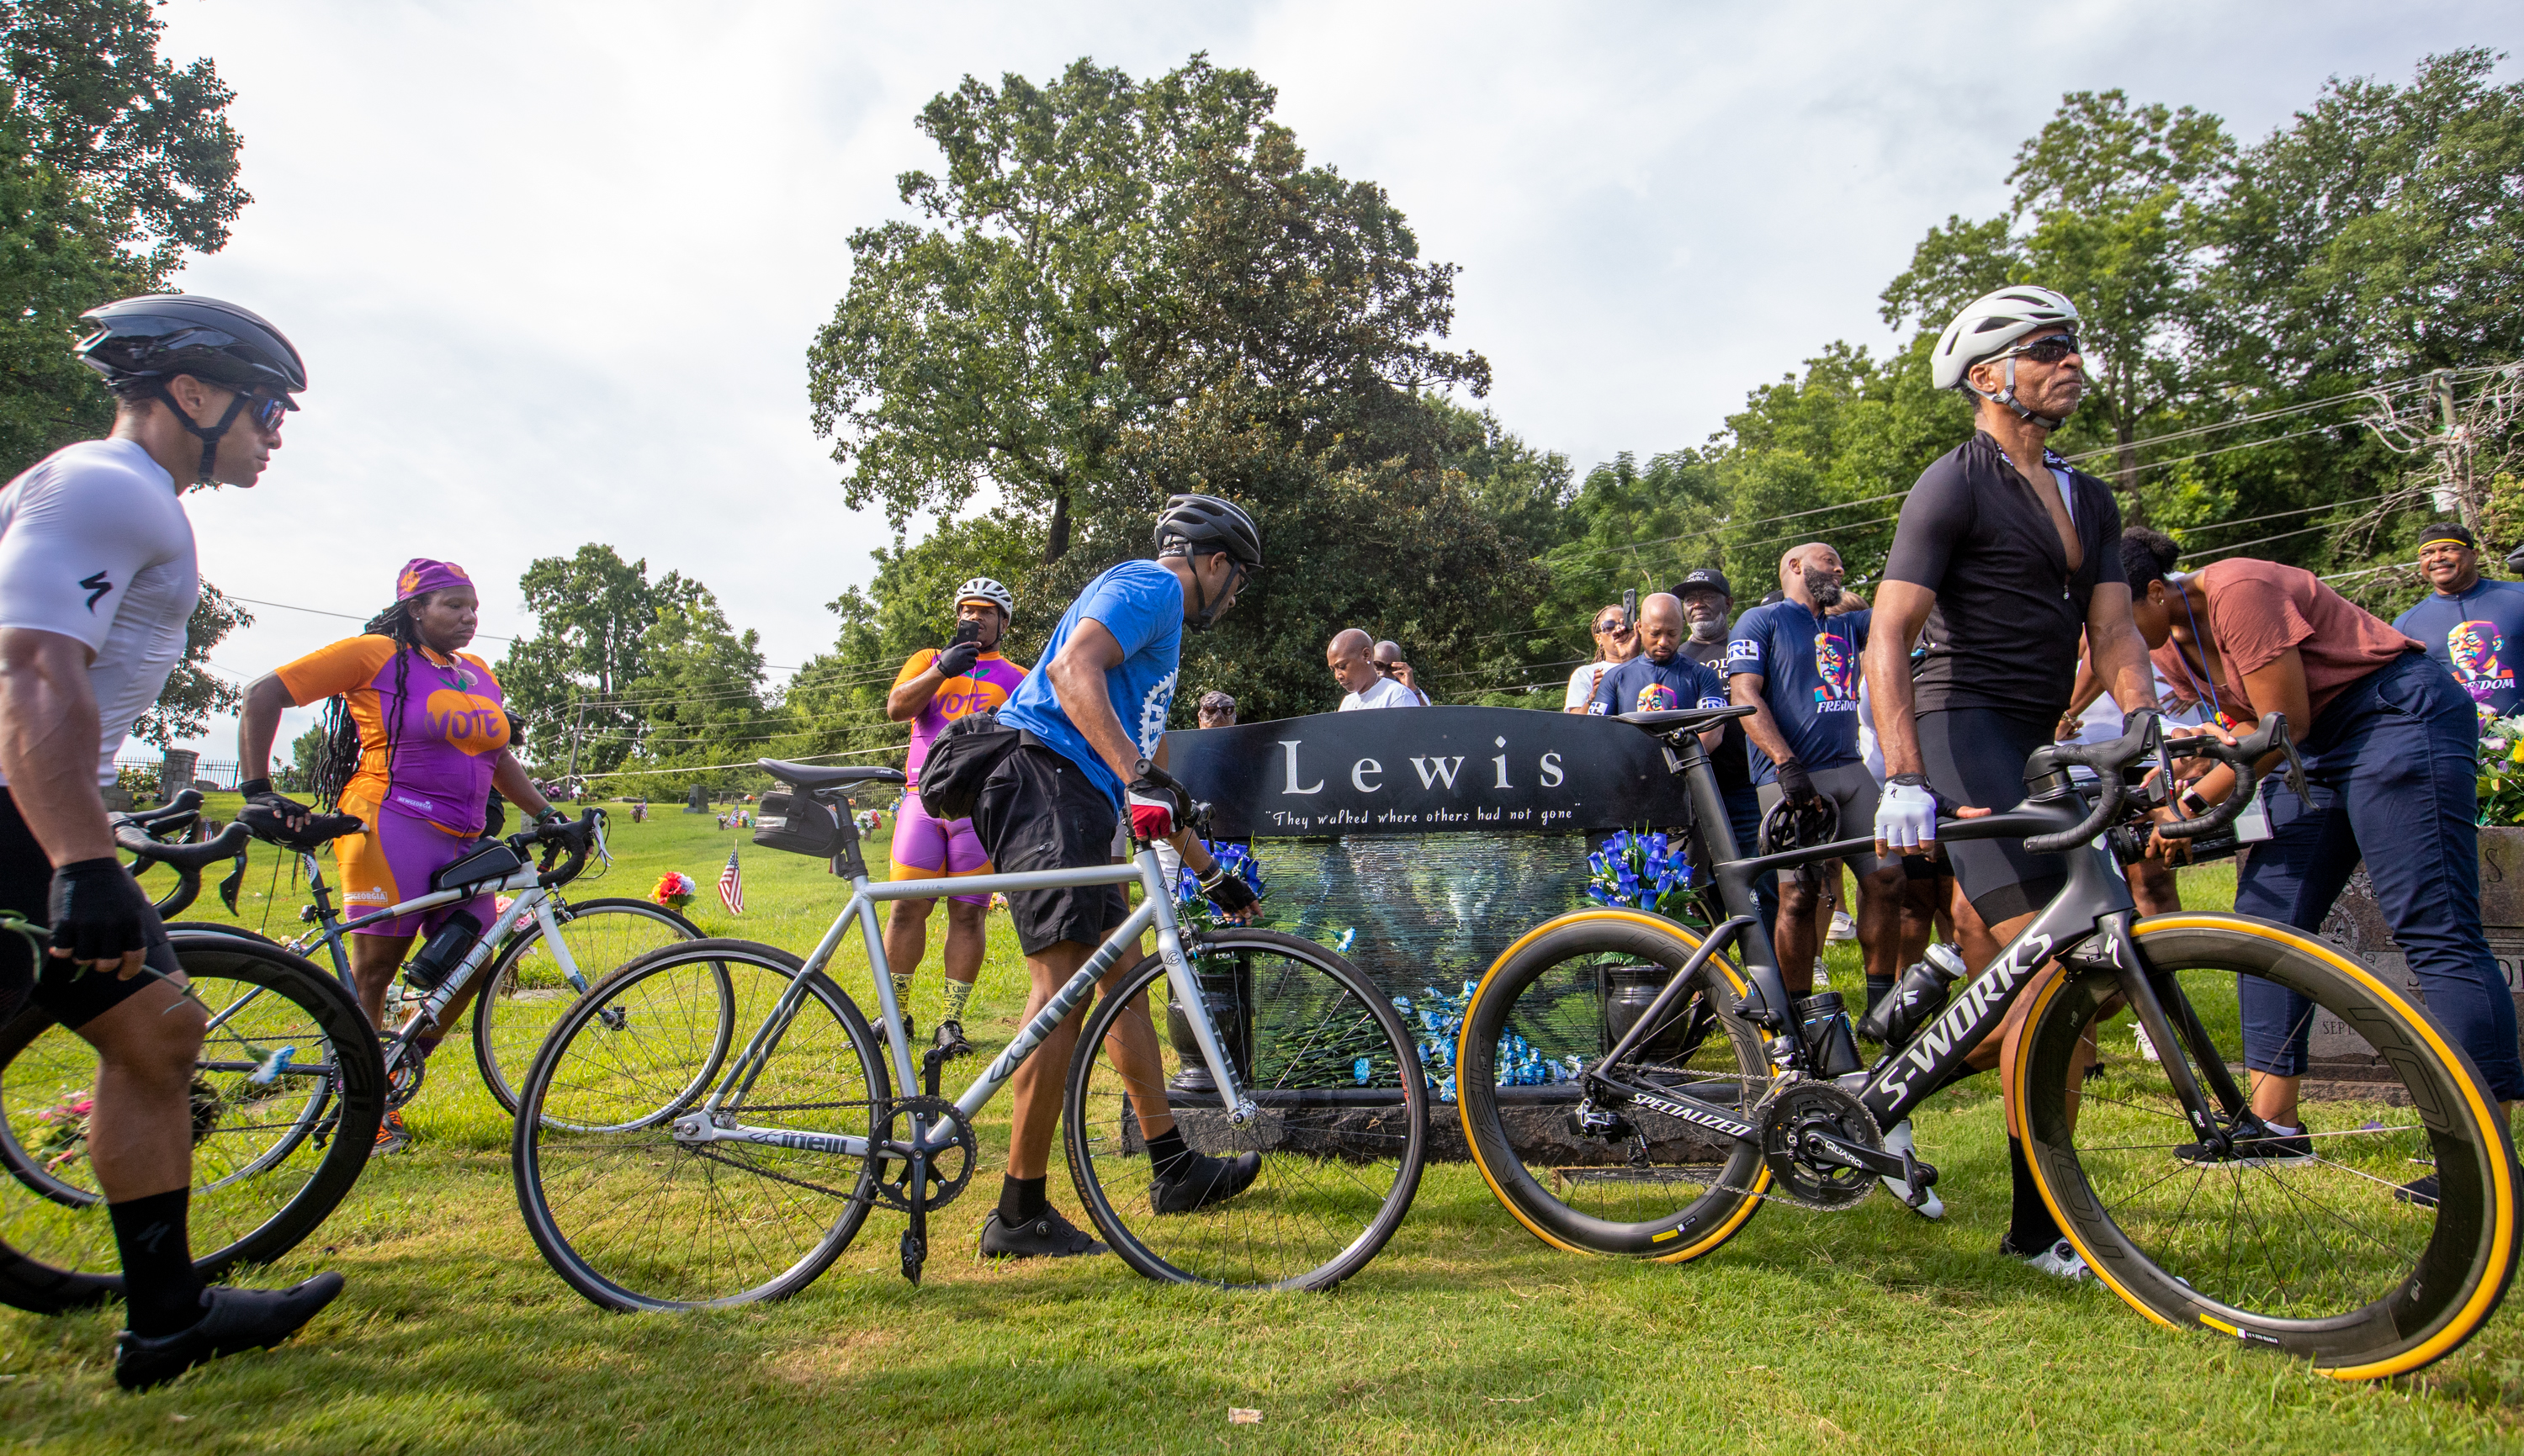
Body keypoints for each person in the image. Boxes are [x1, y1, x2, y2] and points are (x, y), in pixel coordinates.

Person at [0, 294, 340, 1389]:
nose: (274, 431)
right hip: (17, 817)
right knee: (159, 1035)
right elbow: (35, 668)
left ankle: (165, 1315)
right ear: (192, 394)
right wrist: (82, 858)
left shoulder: (102, 494)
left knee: (160, 1037)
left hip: (37, 812)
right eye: (266, 409)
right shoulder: (111, 489)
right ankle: (163, 1311)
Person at [1866, 284, 2162, 1273]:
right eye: (2046, 348)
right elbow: (1889, 635)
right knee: (2060, 979)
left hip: (2035, 739)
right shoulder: (1953, 482)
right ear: (1988, 377)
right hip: (1958, 731)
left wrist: (2148, 727)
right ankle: (2038, 1227)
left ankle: (1891, 1061)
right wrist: (1904, 776)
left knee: (2099, 971)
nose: (2070, 360)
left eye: (2073, 344)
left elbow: (2115, 630)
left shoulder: (2089, 494)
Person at [2124, 536, 2522, 1198]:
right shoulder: (2166, 640)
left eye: (2120, 613)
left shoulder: (2237, 590)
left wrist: (2192, 804)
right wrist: (2187, 789)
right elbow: (2246, 721)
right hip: (2320, 748)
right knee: (2264, 920)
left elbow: (2285, 723)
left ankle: (2487, 1159)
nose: (2115, 634)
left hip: (2395, 716)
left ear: (2157, 591)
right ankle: (2273, 1128)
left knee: (2433, 925)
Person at [975, 494, 1266, 1257]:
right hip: (1043, 777)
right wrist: (1134, 768)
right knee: (1062, 993)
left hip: (1076, 788)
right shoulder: (1153, 587)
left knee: (1120, 976)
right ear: (1214, 562)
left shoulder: (1157, 632)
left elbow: (1150, 777)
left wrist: (1207, 872)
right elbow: (1074, 669)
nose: (1237, 598)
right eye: (1238, 580)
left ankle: (1171, 1167)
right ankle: (1018, 1211)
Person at [236, 559, 566, 1153]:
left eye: (473, 606)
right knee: (375, 973)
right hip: (391, 824)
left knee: (474, 964)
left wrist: (547, 815)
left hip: (463, 838)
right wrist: (257, 791)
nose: (468, 617)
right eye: (452, 605)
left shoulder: (479, 673)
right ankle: (362, 1106)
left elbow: (495, 756)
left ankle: (388, 1066)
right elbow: (264, 693)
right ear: (416, 609)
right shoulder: (376, 655)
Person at [1726, 543, 1903, 1007]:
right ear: (1795, 566)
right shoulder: (1761, 621)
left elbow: (1903, 614)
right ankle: (1799, 1015)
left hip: (1851, 770)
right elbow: (1744, 694)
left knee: (1887, 882)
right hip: (1791, 777)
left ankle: (1883, 1008)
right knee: (1801, 895)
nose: (1841, 568)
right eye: (1830, 560)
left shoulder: (1846, 623)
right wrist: (1786, 763)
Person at [881, 578, 1028, 1046]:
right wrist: (942, 668)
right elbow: (896, 708)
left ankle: (951, 1021)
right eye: (967, 609)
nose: (975, 617)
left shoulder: (1017, 678)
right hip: (919, 800)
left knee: (968, 915)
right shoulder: (927, 660)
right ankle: (895, 1015)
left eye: (986, 611)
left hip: (978, 808)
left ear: (1004, 621)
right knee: (907, 908)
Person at [2393, 521, 2524, 726]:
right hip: (2465, 747)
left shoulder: (2519, 597)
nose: (2437, 558)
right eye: (2427, 553)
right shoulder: (2407, 626)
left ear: (2474, 554)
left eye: (2448, 549)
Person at [1563, 604, 1638, 712]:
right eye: (1609, 626)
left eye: (1625, 624)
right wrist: (1593, 696)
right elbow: (1575, 724)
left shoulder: (1649, 667)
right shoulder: (1585, 674)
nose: (1618, 629)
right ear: (1599, 639)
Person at [1330, 628, 1418, 710]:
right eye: (1333, 669)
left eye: (1342, 666)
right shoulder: (1348, 703)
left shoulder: (1397, 695)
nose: (1337, 676)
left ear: (1366, 655)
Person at [1371, 639, 1430, 705]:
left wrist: (1412, 689)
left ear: (1398, 668)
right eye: (1378, 665)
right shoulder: (1360, 690)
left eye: (1390, 668)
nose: (1383, 674)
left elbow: (1426, 714)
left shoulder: (1406, 693)